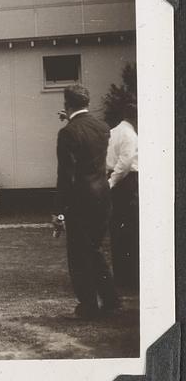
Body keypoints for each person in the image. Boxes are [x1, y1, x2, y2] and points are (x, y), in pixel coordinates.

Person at [52, 85, 121, 319]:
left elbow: (66, 176)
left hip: (80, 202)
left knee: (79, 255)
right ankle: (110, 299)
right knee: (95, 249)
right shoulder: (102, 127)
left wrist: (59, 211)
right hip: (103, 197)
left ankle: (89, 305)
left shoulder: (67, 132)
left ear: (66, 104)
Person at [106, 103, 139, 290]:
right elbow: (125, 163)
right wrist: (113, 181)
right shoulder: (129, 134)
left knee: (119, 230)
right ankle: (129, 278)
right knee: (130, 230)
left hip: (117, 181)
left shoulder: (113, 132)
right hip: (126, 182)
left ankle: (122, 276)